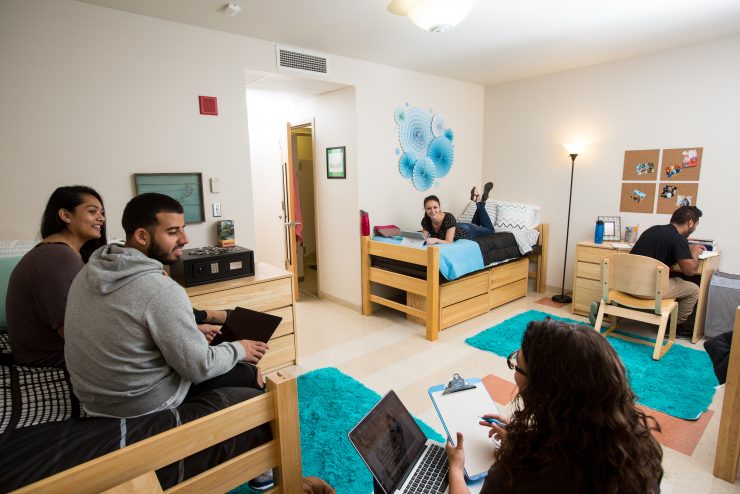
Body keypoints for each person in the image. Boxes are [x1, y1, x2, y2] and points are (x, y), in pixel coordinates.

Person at [64, 192, 274, 489]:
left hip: (95, 397)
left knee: (228, 360)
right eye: (173, 231)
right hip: (141, 404)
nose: (185, 239)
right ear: (141, 235)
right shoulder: (160, 289)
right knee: (248, 373)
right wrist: (240, 348)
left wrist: (188, 328)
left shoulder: (90, 271)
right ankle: (257, 464)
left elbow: (129, 326)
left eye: (183, 229)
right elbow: (198, 368)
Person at [446, 318, 663, 494]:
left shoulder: (518, 474)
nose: (515, 373)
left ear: (544, 391)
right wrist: (525, 437)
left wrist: (456, 468)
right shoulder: (636, 447)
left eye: (518, 367)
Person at [6, 185, 107, 367]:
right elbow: (71, 329)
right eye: (92, 211)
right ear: (65, 215)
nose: (101, 218)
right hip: (52, 358)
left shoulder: (66, 253)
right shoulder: (56, 256)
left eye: (102, 212)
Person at [628, 205, 705, 336]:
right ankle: (672, 328)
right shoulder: (678, 239)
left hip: (628, 285)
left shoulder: (652, 229)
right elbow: (690, 271)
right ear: (690, 223)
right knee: (693, 289)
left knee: (678, 280)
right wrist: (694, 252)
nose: (695, 228)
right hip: (647, 290)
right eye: (696, 225)